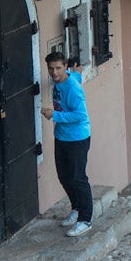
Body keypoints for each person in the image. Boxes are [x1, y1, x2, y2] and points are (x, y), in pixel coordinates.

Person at [42, 49, 92, 237]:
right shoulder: (66, 79)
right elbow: (76, 75)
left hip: (77, 138)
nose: (54, 73)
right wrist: (78, 71)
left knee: (78, 178)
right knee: (64, 176)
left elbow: (80, 115)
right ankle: (77, 208)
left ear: (64, 67)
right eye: (51, 68)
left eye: (58, 68)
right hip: (62, 136)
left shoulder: (72, 88)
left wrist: (54, 115)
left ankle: (86, 219)